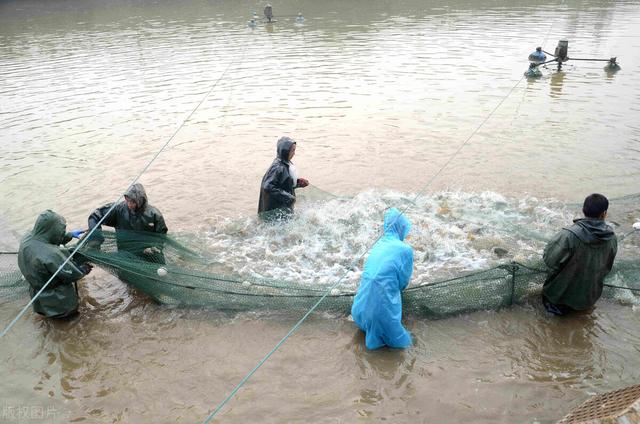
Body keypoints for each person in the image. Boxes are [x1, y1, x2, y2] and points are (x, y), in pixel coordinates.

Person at [542, 193, 618, 315]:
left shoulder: (568, 235)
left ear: (583, 210)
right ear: (604, 213)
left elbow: (549, 260)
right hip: (588, 300)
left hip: (558, 299)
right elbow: (607, 268)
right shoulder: (612, 238)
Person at [351, 208, 414, 350]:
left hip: (358, 313)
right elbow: (403, 283)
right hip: (380, 317)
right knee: (407, 345)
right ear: (402, 227)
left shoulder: (378, 245)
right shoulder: (405, 250)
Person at [18, 210, 92, 319]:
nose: (62, 232)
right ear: (52, 230)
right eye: (61, 230)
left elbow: (48, 238)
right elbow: (72, 274)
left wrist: (69, 235)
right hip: (60, 303)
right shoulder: (51, 254)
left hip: (38, 298)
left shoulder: (27, 237)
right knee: (73, 323)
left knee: (53, 326)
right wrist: (83, 269)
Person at [86, 183, 167, 262]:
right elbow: (95, 216)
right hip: (126, 254)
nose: (129, 204)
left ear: (141, 200)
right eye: (127, 201)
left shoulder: (154, 214)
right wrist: (95, 238)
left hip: (148, 253)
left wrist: (156, 247)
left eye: (133, 202)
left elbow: (162, 235)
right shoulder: (119, 209)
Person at [258, 136, 309, 219]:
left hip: (283, 209)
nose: (294, 153)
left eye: (295, 150)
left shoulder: (285, 164)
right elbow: (267, 186)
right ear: (285, 151)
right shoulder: (277, 167)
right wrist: (287, 197)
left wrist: (297, 183)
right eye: (292, 150)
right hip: (275, 210)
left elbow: (282, 184)